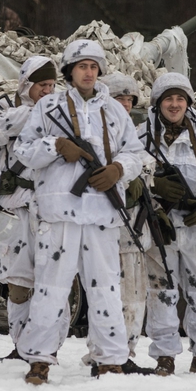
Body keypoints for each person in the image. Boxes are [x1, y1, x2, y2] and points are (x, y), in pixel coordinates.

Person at [12, 40, 145, 385]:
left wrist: (118, 170)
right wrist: (55, 146)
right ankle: (39, 358)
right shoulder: (48, 107)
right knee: (51, 288)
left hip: (101, 212)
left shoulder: (114, 111)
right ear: (70, 71)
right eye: (81, 66)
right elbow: (23, 150)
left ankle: (111, 358)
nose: (88, 72)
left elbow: (135, 152)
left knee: (105, 288)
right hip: (59, 211)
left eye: (93, 66)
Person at [140, 71, 196, 376]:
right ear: (159, 103)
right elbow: (130, 171)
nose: (175, 104)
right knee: (161, 289)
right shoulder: (142, 136)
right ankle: (164, 354)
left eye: (180, 98)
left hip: (195, 224)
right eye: (169, 99)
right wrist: (154, 188)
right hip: (159, 223)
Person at [0, 56, 60, 358]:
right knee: (17, 283)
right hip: (12, 207)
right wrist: (38, 113)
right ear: (27, 84)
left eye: (52, 85)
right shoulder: (0, 107)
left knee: (50, 281)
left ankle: (46, 345)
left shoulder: (60, 108)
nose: (48, 91)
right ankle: (19, 344)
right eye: (42, 85)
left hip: (47, 206)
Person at [81, 72, 155, 374]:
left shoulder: (134, 134)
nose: (124, 104)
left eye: (129, 99)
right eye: (118, 98)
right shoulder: (95, 133)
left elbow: (147, 165)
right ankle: (108, 354)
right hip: (105, 221)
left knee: (135, 294)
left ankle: (124, 352)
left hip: (134, 224)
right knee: (109, 292)